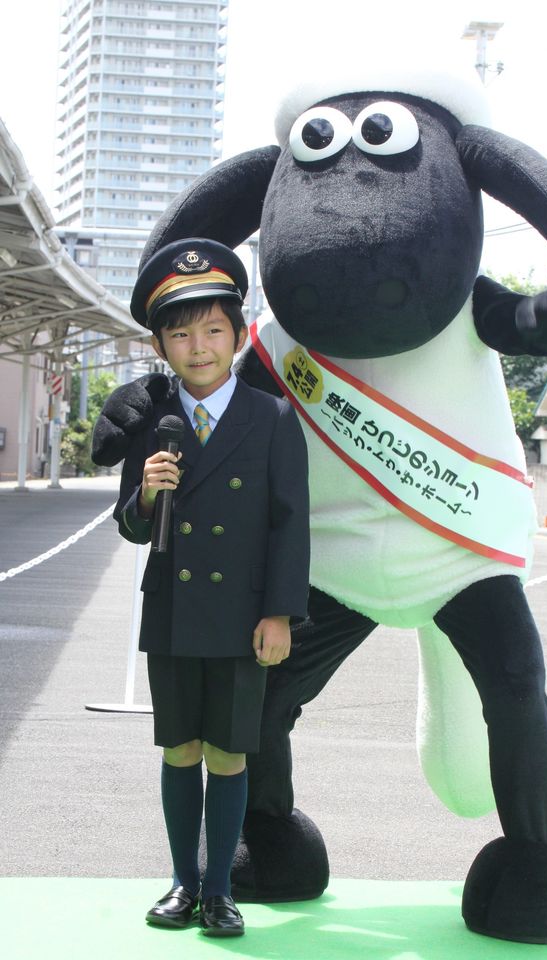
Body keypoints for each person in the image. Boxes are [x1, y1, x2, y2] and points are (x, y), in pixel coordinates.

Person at [112, 238, 310, 937]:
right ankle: (181, 883)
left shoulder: (273, 417)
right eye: (181, 333)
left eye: (213, 330)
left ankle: (221, 889)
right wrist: (143, 496)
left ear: (237, 331)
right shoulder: (154, 419)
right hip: (173, 609)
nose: (199, 347)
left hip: (241, 614)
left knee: (228, 751)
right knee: (179, 750)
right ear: (163, 345)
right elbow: (131, 527)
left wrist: (281, 614)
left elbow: (291, 524)